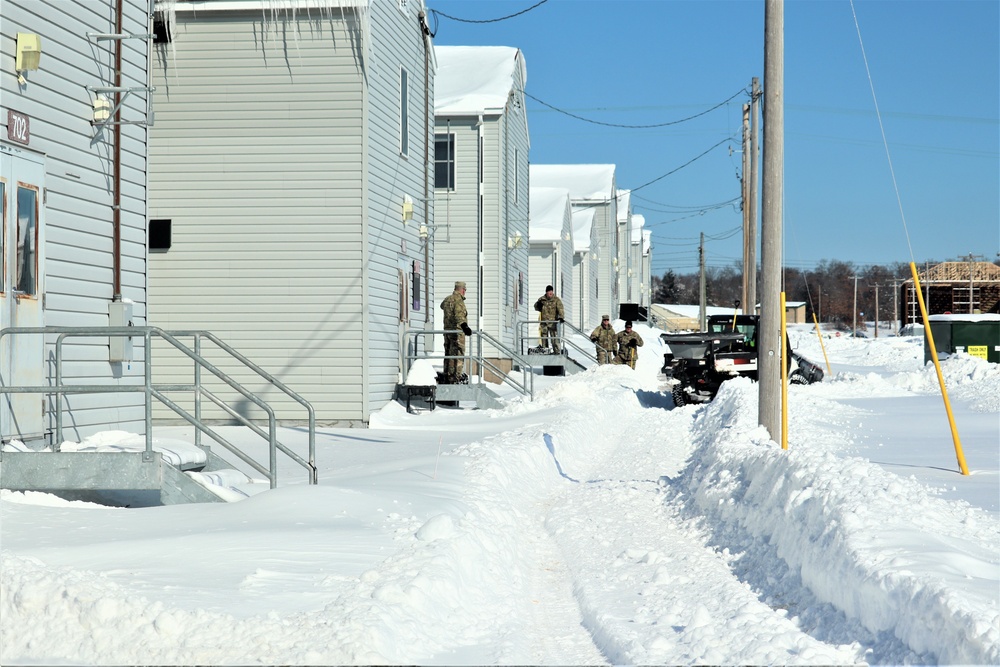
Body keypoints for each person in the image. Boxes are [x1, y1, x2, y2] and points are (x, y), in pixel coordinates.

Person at [440, 281, 472, 383]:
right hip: (457, 333)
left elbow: (442, 306)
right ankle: (455, 377)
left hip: (447, 332)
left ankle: (447, 375)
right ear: (462, 290)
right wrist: (465, 327)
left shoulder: (447, 299)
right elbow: (459, 316)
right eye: (465, 290)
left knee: (448, 354)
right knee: (458, 354)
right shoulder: (459, 301)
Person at [533, 285, 565, 354]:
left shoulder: (556, 300)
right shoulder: (542, 299)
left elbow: (561, 309)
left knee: (554, 339)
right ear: (546, 292)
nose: (550, 293)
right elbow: (536, 307)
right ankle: (545, 351)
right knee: (544, 338)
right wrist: (538, 305)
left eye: (551, 292)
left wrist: (561, 317)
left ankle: (557, 352)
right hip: (544, 323)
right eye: (549, 292)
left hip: (553, 323)